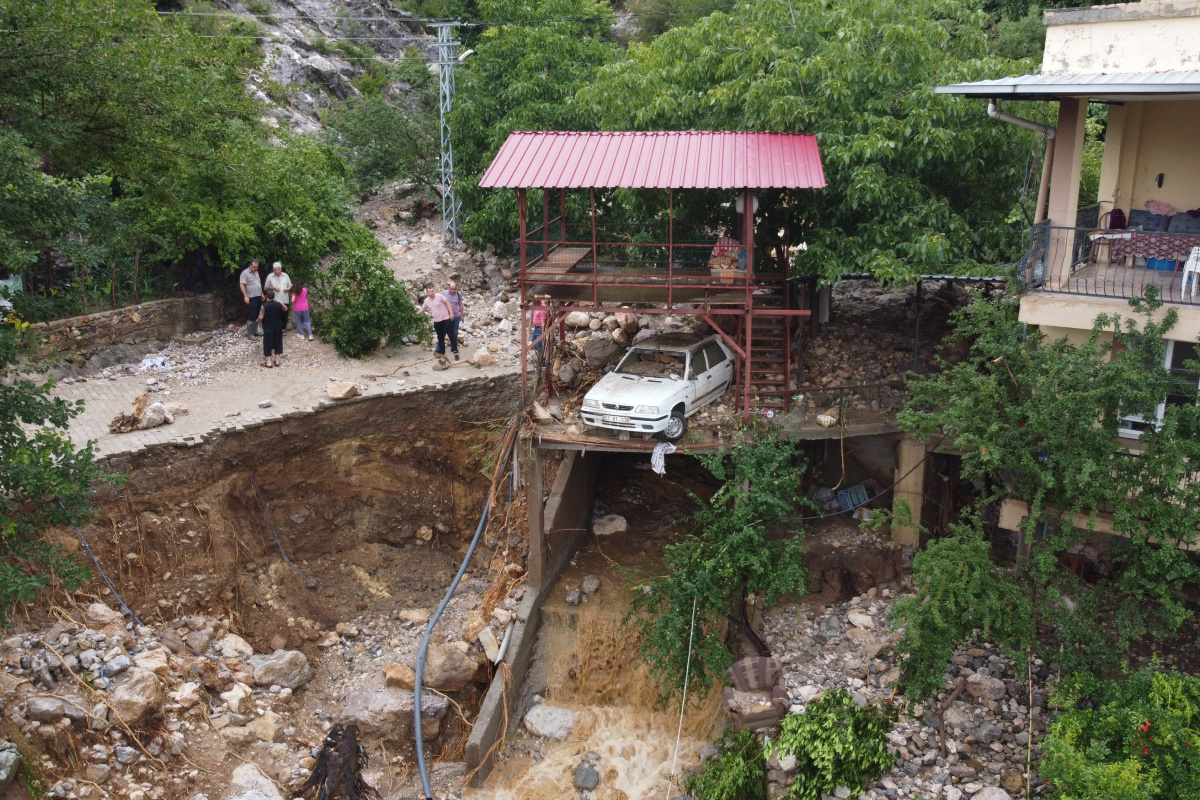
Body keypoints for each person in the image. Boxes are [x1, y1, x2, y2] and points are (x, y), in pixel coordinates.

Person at [418, 283, 455, 360]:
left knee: (451, 334)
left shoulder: (439, 296)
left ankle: (455, 350)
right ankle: (442, 353)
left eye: (432, 291)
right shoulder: (426, 301)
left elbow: (447, 302)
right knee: (440, 337)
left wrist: (451, 313)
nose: (431, 293)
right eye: (430, 292)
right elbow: (422, 309)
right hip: (437, 321)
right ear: (427, 293)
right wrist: (414, 315)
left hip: (445, 318)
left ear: (434, 291)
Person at [257, 287, 287, 368]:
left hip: (268, 328)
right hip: (278, 327)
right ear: (274, 296)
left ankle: (269, 362)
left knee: (268, 344)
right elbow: (285, 309)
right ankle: (277, 361)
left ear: (266, 296)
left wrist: (258, 320)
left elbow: (261, 317)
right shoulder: (278, 305)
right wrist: (282, 303)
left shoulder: (264, 306)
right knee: (278, 343)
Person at [441, 279, 465, 359]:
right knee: (443, 332)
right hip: (446, 316)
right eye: (451, 289)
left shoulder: (458, 294)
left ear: (456, 288)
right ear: (448, 288)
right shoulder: (444, 293)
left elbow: (460, 305)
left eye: (454, 289)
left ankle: (454, 348)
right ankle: (439, 350)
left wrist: (462, 315)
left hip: (456, 316)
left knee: (454, 333)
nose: (453, 290)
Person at [264, 262, 292, 331]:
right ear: (273, 270)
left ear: (281, 269)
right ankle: (276, 328)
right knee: (275, 314)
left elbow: (290, 285)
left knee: (284, 314)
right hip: (275, 299)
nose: (277, 271)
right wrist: (273, 288)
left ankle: (283, 329)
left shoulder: (285, 275)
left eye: (278, 269)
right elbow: (265, 287)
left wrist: (287, 289)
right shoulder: (270, 276)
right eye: (275, 270)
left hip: (284, 298)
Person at [239, 260, 263, 338]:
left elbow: (258, 283)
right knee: (252, 314)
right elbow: (242, 285)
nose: (255, 269)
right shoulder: (245, 273)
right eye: (254, 267)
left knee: (257, 313)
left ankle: (255, 330)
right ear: (250, 266)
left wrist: (262, 293)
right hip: (251, 297)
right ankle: (250, 333)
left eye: (257, 267)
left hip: (258, 296)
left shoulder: (256, 272)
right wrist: (245, 296)